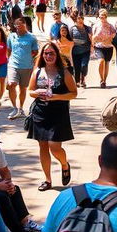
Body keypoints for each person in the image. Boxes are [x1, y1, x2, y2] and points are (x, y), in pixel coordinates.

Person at [28, 42, 77, 191]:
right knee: (43, 146)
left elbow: (73, 93)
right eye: (46, 53)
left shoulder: (64, 73)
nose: (48, 56)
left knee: (54, 147)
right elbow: (30, 91)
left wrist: (54, 97)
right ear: (42, 55)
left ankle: (64, 164)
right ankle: (47, 180)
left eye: (51, 53)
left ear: (57, 55)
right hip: (40, 112)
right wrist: (37, 93)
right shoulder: (37, 71)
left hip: (58, 113)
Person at [6, 17, 39, 120]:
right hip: (13, 65)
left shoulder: (32, 37)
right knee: (11, 84)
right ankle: (14, 108)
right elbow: (9, 50)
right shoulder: (12, 36)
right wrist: (9, 61)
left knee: (22, 88)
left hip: (26, 66)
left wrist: (29, 58)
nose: (18, 28)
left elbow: (35, 51)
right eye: (16, 26)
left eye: (20, 26)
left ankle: (21, 108)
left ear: (25, 25)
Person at [91, 9, 115, 88]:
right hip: (99, 47)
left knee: (107, 63)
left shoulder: (110, 26)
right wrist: (96, 39)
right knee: (101, 61)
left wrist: (107, 39)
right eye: (100, 17)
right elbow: (93, 37)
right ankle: (101, 79)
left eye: (103, 17)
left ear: (106, 17)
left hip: (108, 47)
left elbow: (113, 36)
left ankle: (104, 80)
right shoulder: (96, 26)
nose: (102, 19)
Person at [71, 12, 92, 87]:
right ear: (76, 19)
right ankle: (77, 81)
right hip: (75, 51)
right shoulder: (72, 29)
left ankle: (83, 78)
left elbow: (91, 39)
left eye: (82, 18)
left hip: (85, 50)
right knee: (76, 67)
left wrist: (92, 47)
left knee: (84, 65)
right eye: (79, 18)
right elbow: (70, 40)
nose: (80, 20)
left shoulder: (88, 28)